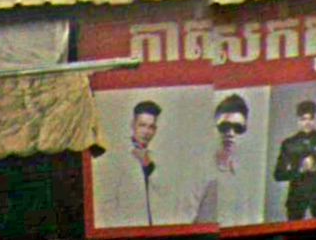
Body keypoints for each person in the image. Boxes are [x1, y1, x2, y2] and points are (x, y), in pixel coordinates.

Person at [93, 100, 174, 227]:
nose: (146, 132)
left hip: (152, 227)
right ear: (133, 124)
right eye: (142, 125)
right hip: (125, 229)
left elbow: (165, 193)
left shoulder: (154, 157)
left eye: (151, 127)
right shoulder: (115, 155)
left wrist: (147, 163)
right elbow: (104, 202)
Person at [187, 94, 253, 227]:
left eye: (237, 128)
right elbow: (185, 221)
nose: (230, 133)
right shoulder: (199, 171)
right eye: (224, 127)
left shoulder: (243, 175)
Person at [274, 100, 316, 221]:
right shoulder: (289, 143)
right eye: (303, 119)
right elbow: (278, 174)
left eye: (311, 119)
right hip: (296, 197)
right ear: (298, 120)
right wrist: (300, 169)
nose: (307, 123)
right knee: (294, 229)